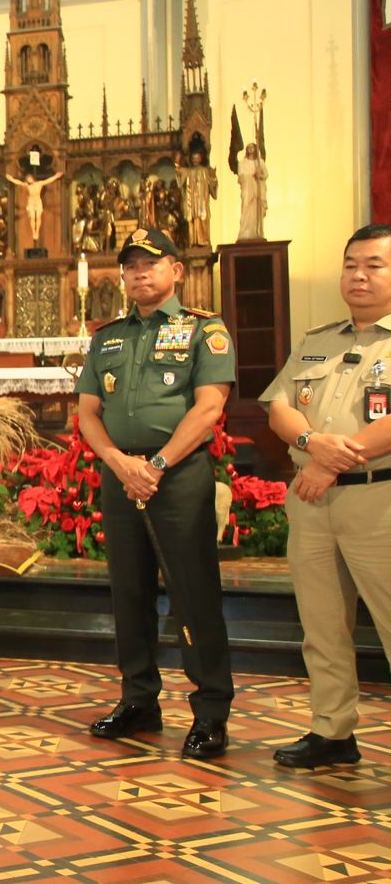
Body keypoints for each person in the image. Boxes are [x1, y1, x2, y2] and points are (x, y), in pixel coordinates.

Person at [76, 228, 236, 759]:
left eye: (150, 263)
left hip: (179, 476)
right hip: (122, 478)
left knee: (193, 594)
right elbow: (88, 414)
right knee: (130, 592)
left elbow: (209, 407)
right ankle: (139, 699)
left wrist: (159, 464)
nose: (139, 273)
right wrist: (121, 463)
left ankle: (211, 711)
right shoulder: (108, 338)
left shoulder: (203, 331)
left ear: (176, 270)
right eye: (130, 266)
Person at [258, 223, 391, 768]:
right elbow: (280, 406)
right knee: (322, 624)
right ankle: (332, 731)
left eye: (374, 266)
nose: (358, 275)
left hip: (377, 501)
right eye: (351, 264)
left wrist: (331, 464)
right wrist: (312, 445)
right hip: (313, 502)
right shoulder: (318, 341)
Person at [6, 167, 63, 251]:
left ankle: (37, 231)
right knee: (32, 217)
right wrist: (11, 179)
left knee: (38, 217)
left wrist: (56, 176)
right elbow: (18, 182)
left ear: (32, 178)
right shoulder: (27, 185)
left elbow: (48, 180)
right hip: (31, 202)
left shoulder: (39, 184)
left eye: (29, 178)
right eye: (27, 179)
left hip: (38, 202)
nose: (28, 180)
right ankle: (34, 232)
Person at [176, 149, 218, 249]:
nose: (195, 160)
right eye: (193, 158)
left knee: (202, 219)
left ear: (201, 159)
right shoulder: (188, 171)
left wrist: (213, 178)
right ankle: (193, 241)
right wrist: (177, 164)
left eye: (197, 158)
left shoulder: (204, 170)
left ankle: (203, 240)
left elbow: (212, 183)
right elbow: (179, 176)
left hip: (202, 201)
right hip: (192, 202)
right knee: (193, 220)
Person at [236, 143, 268, 241]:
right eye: (249, 148)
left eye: (252, 147)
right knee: (246, 207)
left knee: (256, 209)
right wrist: (250, 177)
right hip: (247, 188)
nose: (251, 149)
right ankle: (245, 231)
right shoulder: (242, 162)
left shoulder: (260, 162)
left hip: (257, 188)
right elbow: (240, 176)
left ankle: (257, 231)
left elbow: (265, 174)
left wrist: (260, 176)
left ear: (255, 149)